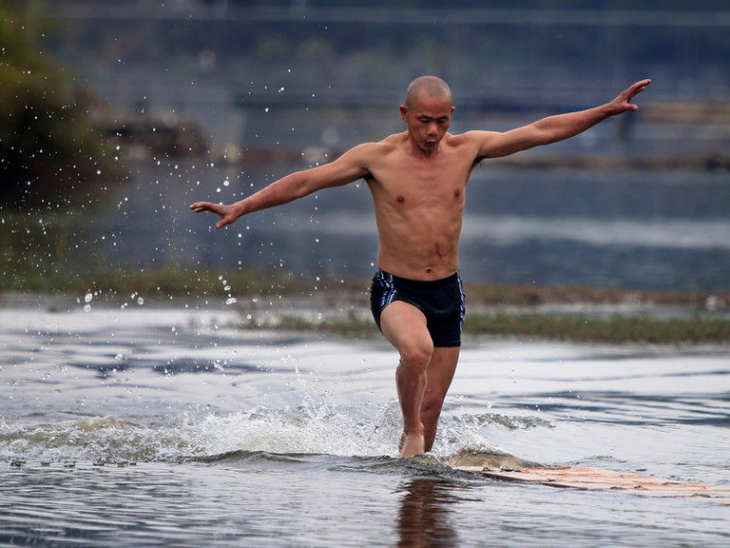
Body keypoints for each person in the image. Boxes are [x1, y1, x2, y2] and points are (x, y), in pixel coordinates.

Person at [191, 76, 651, 458]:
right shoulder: (377, 158)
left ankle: (415, 499)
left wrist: (605, 111)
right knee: (416, 353)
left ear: (453, 117)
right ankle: (408, 432)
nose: (433, 132)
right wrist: (242, 206)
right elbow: (307, 180)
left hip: (448, 293)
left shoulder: (468, 149)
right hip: (397, 290)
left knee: (431, 415)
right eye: (425, 121)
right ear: (405, 115)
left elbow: (540, 131)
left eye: (443, 121)